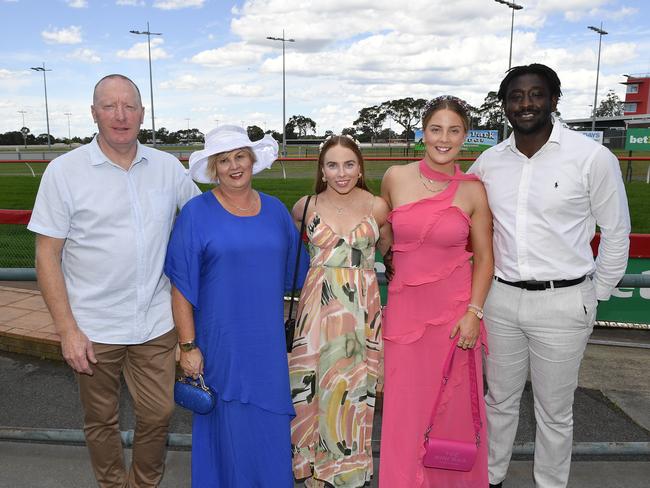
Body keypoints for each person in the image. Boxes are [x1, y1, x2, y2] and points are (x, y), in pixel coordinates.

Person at [28, 74, 200, 488]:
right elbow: (46, 255)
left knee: (158, 413)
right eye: (110, 106)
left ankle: (141, 483)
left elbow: (205, 220)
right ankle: (111, 484)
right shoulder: (63, 172)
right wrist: (67, 330)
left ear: (142, 113)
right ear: (94, 113)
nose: (120, 115)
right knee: (101, 420)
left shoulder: (167, 168)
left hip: (156, 322)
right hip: (92, 326)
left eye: (129, 106)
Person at [468, 64, 631, 488]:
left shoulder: (592, 157)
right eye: (516, 96)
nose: (526, 104)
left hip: (563, 303)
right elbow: (460, 216)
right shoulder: (489, 162)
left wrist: (599, 292)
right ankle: (491, 478)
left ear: (554, 99)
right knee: (498, 401)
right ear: (504, 105)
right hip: (500, 300)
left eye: (536, 94)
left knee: (554, 411)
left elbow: (616, 231)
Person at [164, 125, 308, 487]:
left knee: (269, 426)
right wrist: (187, 346)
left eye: (239, 156)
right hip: (220, 345)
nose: (233, 166)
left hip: (267, 347)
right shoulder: (196, 214)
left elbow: (302, 275)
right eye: (223, 160)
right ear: (213, 168)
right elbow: (181, 287)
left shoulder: (276, 211)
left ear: (252, 159)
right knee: (224, 429)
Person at [378, 96, 494, 487]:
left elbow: (485, 259)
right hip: (405, 316)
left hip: (455, 322)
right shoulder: (395, 177)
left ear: (466, 136)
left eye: (454, 130)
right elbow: (383, 238)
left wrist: (473, 314)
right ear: (422, 133)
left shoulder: (473, 190)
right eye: (435, 129)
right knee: (404, 413)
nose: (444, 139)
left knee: (452, 417)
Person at [288, 135, 390, 487]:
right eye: (332, 165)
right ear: (322, 169)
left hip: (360, 314)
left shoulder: (379, 207)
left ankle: (348, 473)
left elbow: (389, 253)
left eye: (349, 164)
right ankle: (315, 471)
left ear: (360, 167)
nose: (341, 172)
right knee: (315, 393)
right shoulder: (305, 207)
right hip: (316, 314)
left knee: (352, 392)